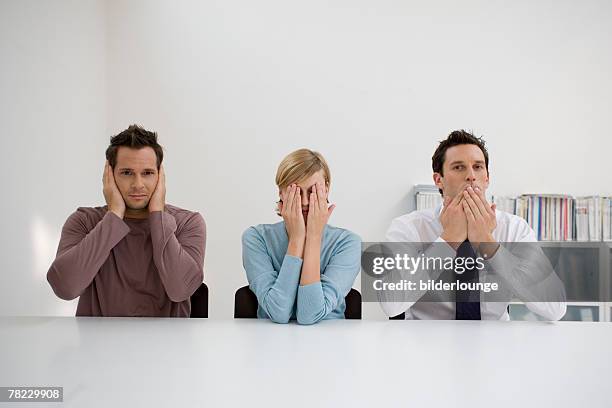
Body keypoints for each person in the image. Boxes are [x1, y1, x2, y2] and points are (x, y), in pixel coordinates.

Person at [379, 130, 566, 320]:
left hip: (495, 343)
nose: (470, 175)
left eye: (478, 167)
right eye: (458, 167)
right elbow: (390, 304)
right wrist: (449, 239)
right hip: (427, 343)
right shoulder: (408, 228)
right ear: (438, 180)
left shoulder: (514, 228)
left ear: (487, 178)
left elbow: (555, 309)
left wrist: (487, 243)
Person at [47, 125, 206, 317]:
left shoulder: (188, 223)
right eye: (127, 173)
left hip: (167, 344)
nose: (138, 184)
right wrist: (114, 215)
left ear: (160, 176)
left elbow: (180, 288)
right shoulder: (84, 221)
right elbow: (65, 288)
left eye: (147, 173)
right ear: (110, 175)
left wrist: (157, 213)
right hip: (97, 344)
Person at [242, 149, 361, 324]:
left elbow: (310, 315)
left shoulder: (347, 243)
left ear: (326, 190)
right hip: (270, 340)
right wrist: (297, 239)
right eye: (296, 192)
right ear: (281, 193)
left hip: (330, 340)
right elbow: (278, 312)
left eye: (313, 191)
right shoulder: (256, 238)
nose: (305, 201)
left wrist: (313, 237)